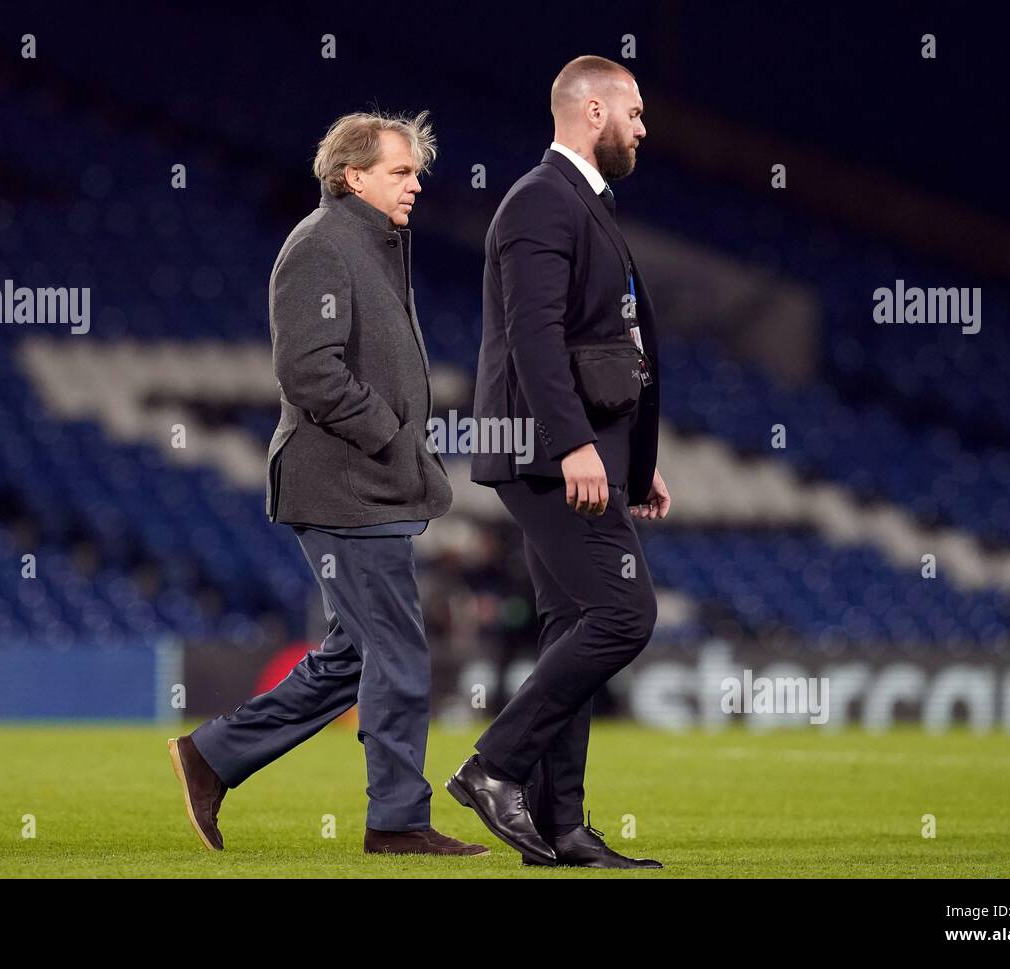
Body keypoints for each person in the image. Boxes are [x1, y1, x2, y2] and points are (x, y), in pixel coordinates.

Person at [168, 110, 484, 857]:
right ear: (353, 176)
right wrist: (389, 436)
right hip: (344, 482)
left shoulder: (372, 245)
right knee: (400, 650)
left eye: (416, 172)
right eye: (401, 171)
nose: (416, 184)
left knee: (355, 653)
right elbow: (309, 370)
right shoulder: (321, 244)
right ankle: (398, 821)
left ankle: (212, 756)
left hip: (366, 480)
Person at [448, 55, 670, 868]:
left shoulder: (580, 202)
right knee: (625, 614)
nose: (644, 127)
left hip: (569, 448)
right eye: (635, 112)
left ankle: (561, 824)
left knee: (575, 624)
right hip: (543, 451)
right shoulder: (544, 197)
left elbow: (609, 345)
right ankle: (492, 767)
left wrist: (633, 460)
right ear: (591, 112)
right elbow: (534, 335)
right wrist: (576, 441)